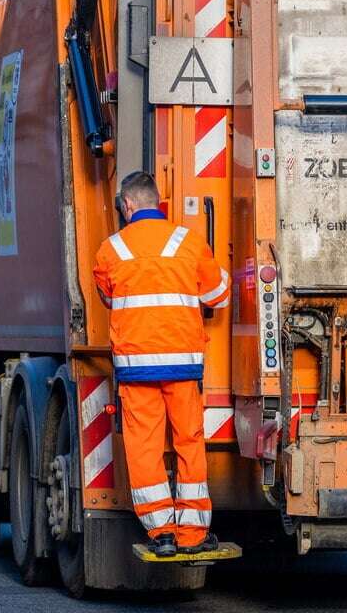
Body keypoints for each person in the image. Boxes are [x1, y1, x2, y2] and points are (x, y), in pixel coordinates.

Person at [92, 171, 231, 557]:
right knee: (189, 443)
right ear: (159, 203)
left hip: (137, 369)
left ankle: (161, 533)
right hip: (183, 366)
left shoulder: (111, 249)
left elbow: (106, 296)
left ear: (127, 205)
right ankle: (192, 534)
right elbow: (218, 294)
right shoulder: (188, 242)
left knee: (144, 447)